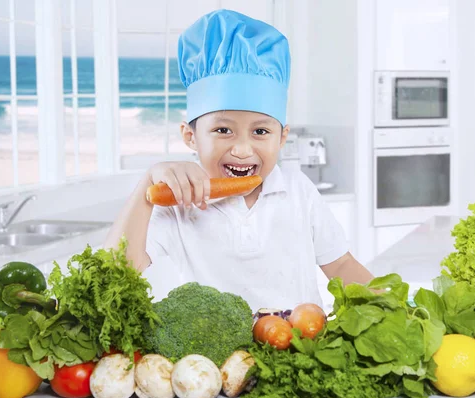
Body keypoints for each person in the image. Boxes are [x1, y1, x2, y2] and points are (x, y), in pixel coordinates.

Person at [104, 9, 374, 311]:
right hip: (216, 359)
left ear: (282, 138)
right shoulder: (180, 205)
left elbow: (341, 266)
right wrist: (149, 184)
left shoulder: (299, 191)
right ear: (190, 136)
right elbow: (116, 274)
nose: (243, 149)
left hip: (303, 350)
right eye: (223, 130)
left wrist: (395, 307)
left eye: (260, 131)